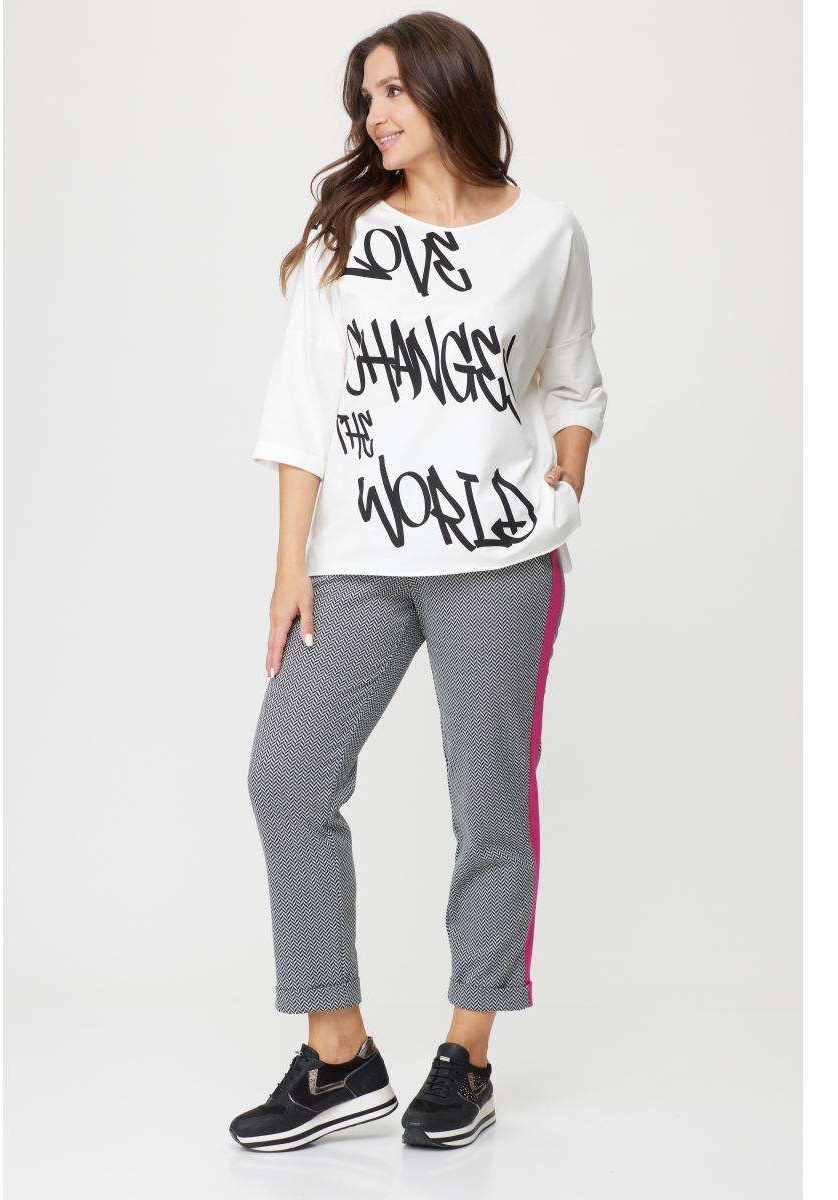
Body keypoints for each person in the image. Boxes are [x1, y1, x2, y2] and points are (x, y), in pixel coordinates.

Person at [229, 11, 607, 1152]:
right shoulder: (348, 234)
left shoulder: (546, 232)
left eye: (392, 89)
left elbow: (574, 378)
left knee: (489, 804)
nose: (374, 113)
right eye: (365, 97)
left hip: (498, 562)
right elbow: (301, 411)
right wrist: (290, 565)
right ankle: (339, 1053)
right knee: (287, 774)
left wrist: (567, 477)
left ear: (448, 89)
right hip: (360, 560)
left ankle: (468, 1051)